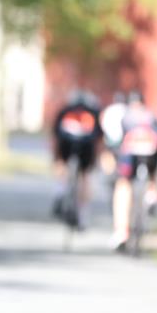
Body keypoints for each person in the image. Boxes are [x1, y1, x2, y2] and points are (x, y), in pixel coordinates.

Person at [111, 91, 157, 250]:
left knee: (123, 184)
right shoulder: (151, 117)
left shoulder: (126, 117)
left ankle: (121, 230)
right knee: (152, 171)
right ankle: (152, 192)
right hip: (151, 153)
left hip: (131, 152)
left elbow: (118, 142)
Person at [51, 89, 102, 229]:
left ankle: (60, 190)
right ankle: (83, 214)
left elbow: (55, 135)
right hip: (86, 147)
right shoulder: (93, 112)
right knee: (85, 175)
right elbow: (98, 139)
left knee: (62, 163)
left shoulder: (65, 110)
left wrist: (56, 157)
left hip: (66, 145)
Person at [99, 91, 128, 175]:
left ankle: (110, 170)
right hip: (123, 141)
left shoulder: (109, 109)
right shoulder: (126, 109)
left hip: (110, 140)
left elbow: (103, 124)